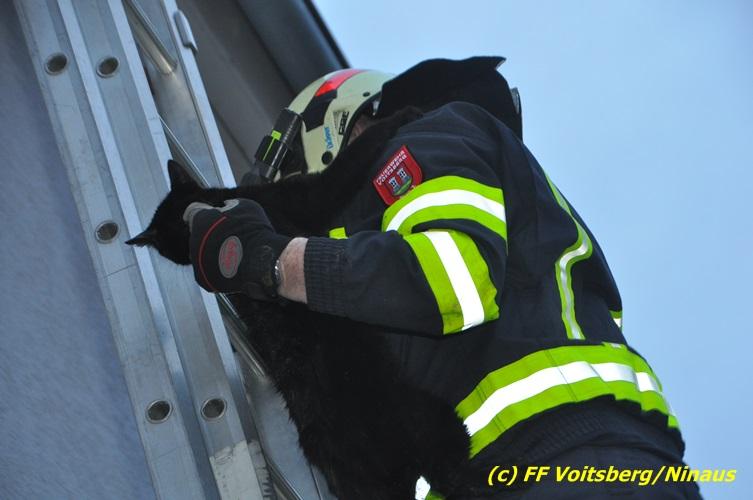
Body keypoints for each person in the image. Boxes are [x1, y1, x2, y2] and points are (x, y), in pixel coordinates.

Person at [183, 57, 700, 498]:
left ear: (333, 126)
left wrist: (275, 262)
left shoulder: (426, 137)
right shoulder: (378, 282)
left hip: (565, 459)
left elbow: (451, 277)